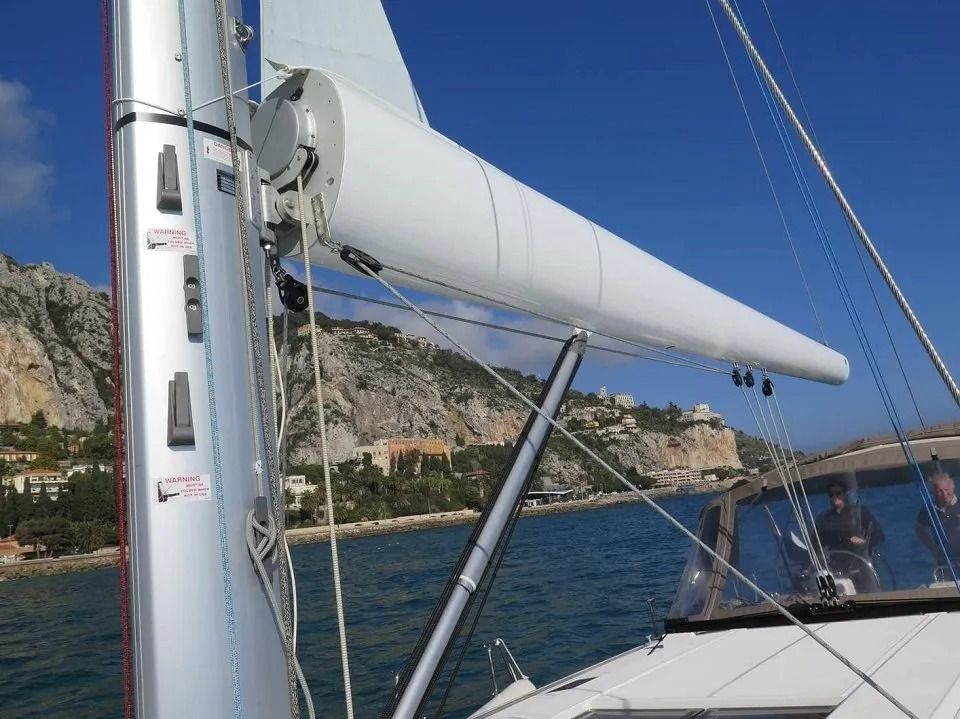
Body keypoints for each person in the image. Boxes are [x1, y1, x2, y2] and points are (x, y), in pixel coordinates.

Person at [815, 482, 885, 558]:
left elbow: (879, 536)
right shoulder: (823, 519)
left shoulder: (861, 512)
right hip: (835, 564)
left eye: (838, 493)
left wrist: (864, 542)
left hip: (861, 562)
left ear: (845, 494)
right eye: (831, 495)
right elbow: (815, 544)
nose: (834, 497)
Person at [915, 472, 960, 567]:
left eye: (947, 489)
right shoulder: (928, 510)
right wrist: (933, 548)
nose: (944, 494)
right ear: (933, 492)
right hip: (944, 560)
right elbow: (919, 529)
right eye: (939, 491)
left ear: (953, 488)